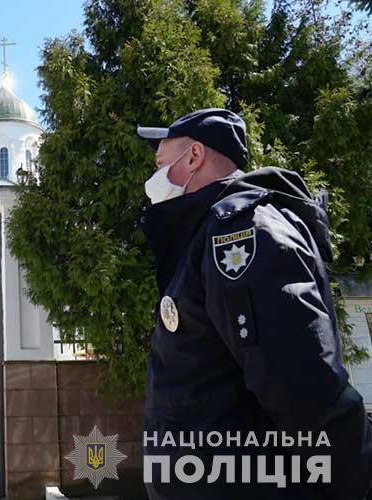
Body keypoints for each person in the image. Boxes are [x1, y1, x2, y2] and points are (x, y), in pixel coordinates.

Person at [136, 108, 372, 499]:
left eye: (161, 163)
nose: (153, 177)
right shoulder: (207, 235)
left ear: (194, 157)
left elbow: (304, 386)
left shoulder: (243, 234)